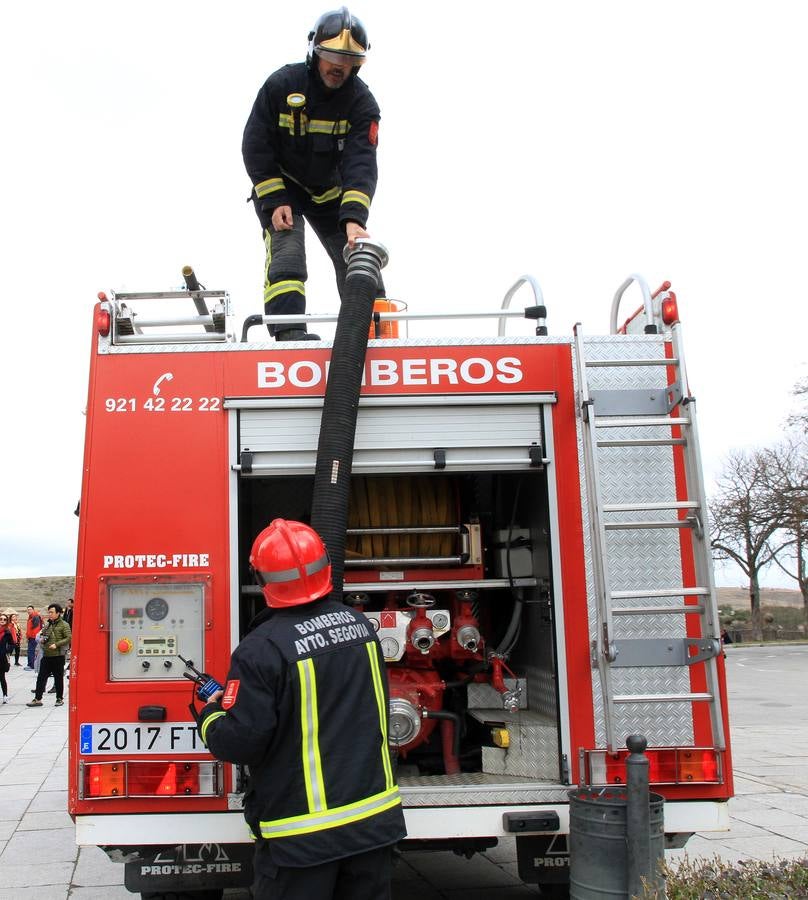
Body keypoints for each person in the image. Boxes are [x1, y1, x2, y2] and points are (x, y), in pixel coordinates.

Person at [197, 519, 405, 899]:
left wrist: (210, 716)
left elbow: (241, 744)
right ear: (326, 567)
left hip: (302, 841)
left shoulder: (261, 649)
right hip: (374, 828)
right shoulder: (361, 627)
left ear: (262, 580)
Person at [243, 6, 383, 342]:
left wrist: (354, 219)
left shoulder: (362, 104)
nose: (340, 67)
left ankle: (371, 335)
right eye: (333, 56)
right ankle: (289, 331)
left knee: (359, 260)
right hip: (284, 188)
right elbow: (255, 145)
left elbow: (361, 162)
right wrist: (274, 199)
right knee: (288, 251)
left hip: (333, 195)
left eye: (350, 60)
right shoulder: (281, 86)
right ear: (315, 52)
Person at [26, 604, 71, 707]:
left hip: (58, 655)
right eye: (49, 612)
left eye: (52, 612)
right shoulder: (48, 624)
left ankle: (59, 698)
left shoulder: (64, 625)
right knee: (41, 677)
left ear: (58, 613)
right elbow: (43, 635)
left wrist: (57, 644)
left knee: (58, 678)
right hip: (46, 655)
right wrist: (42, 639)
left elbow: (68, 638)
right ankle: (38, 698)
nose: (50, 614)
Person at [0, 613, 13, 703]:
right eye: (1, 619)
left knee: (2, 677)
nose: (2, 621)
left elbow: (12, 644)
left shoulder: (7, 632)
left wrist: (7, 651)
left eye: (4, 619)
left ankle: (5, 695)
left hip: (1, 657)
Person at [25, 605, 42, 670]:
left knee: (31, 651)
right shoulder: (31, 617)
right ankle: (32, 664)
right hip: (31, 637)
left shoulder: (35, 617)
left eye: (30, 609)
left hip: (33, 637)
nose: (28, 611)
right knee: (31, 651)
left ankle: (31, 665)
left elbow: (36, 629)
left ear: (33, 610)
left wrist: (33, 637)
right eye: (28, 609)